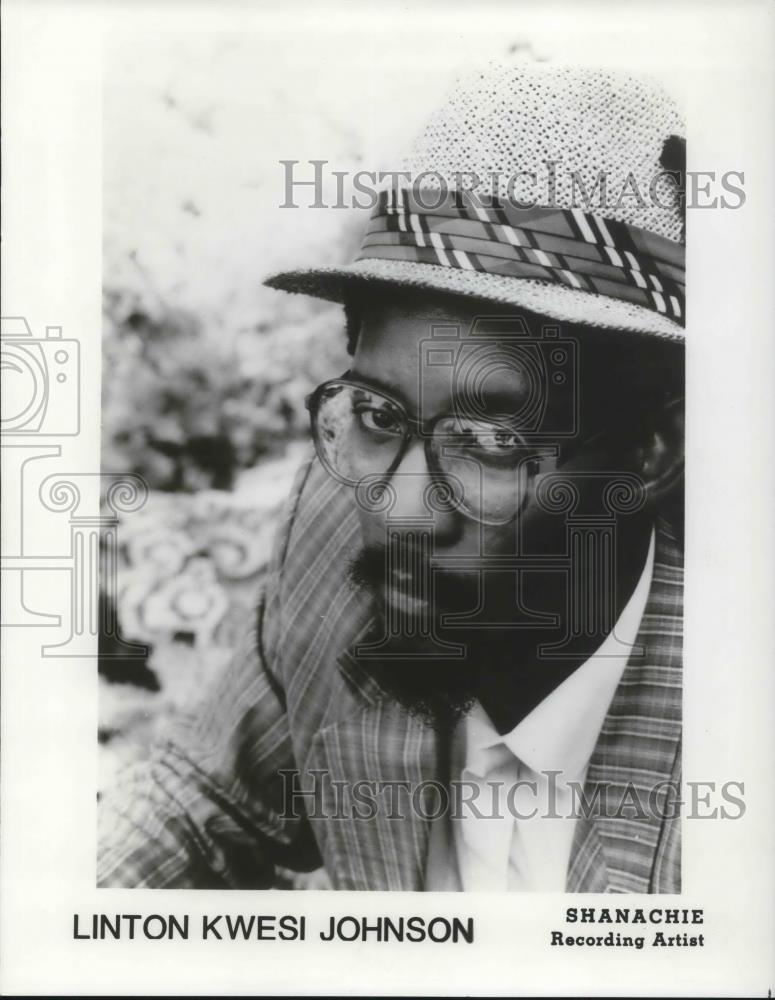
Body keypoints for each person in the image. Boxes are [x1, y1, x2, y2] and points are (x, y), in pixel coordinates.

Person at [99, 63, 685, 892]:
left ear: (652, 453)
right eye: (377, 416)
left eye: (483, 440)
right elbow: (200, 805)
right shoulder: (336, 540)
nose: (399, 510)